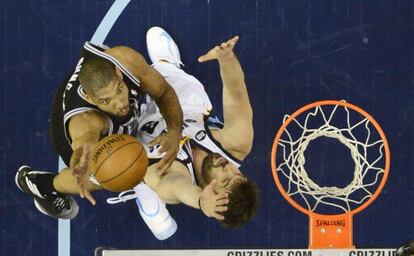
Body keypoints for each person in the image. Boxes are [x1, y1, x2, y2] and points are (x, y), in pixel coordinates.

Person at [110, 27, 260, 229]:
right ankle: (167, 64)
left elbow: (178, 189)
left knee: (126, 170)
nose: (229, 168)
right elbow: (237, 94)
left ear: (210, 192)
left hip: (133, 121)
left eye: (225, 181)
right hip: (180, 106)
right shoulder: (236, 146)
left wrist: (200, 201)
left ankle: (146, 197)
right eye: (238, 175)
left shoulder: (177, 175)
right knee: (191, 93)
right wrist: (226, 59)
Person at [15, 39, 184, 219]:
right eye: (106, 101)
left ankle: (165, 63)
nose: (119, 104)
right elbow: (83, 145)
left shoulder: (125, 59)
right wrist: (82, 165)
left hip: (91, 78)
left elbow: (164, 93)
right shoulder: (87, 122)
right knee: (113, 172)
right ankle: (43, 184)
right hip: (70, 134)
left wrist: (174, 132)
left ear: (118, 74)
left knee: (155, 92)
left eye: (119, 90)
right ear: (90, 98)